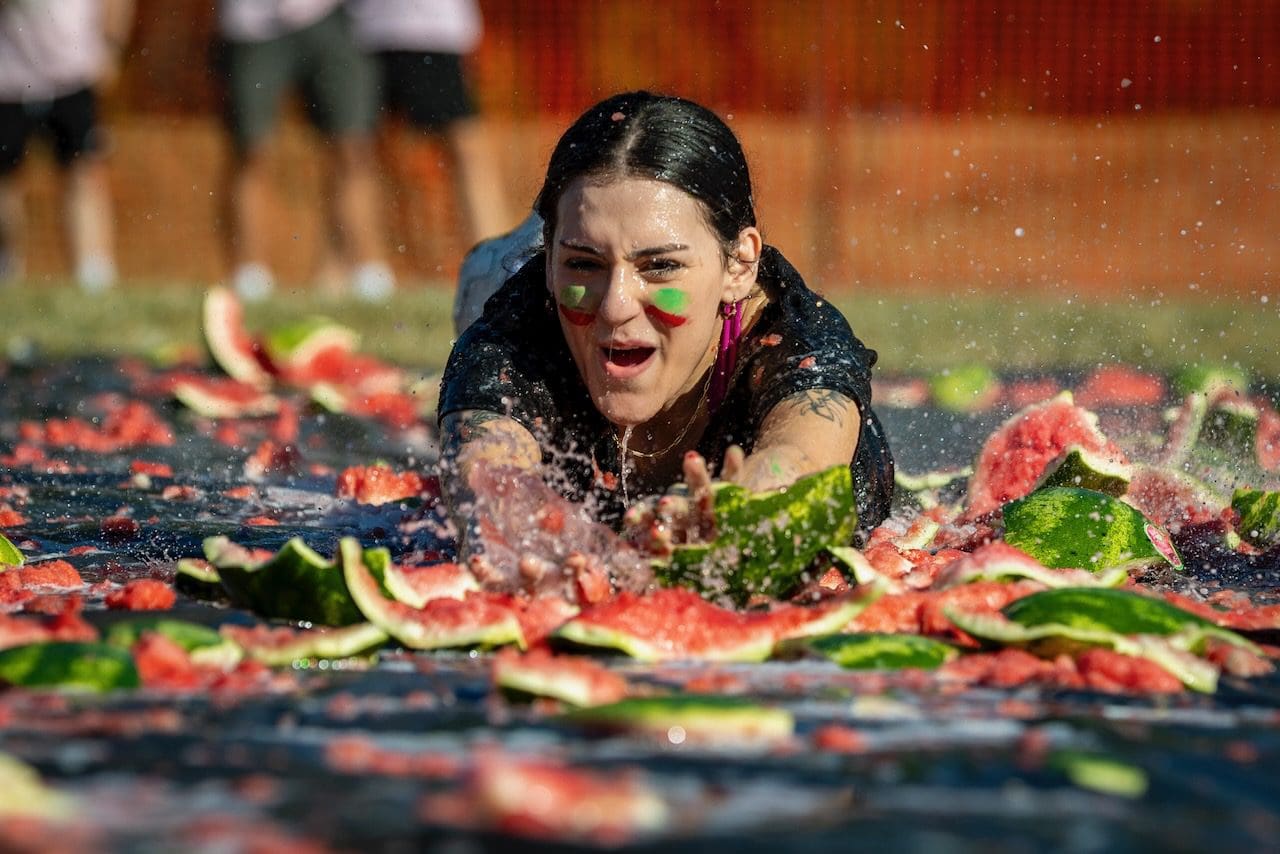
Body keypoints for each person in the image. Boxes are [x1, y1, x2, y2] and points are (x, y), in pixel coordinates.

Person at [437, 91, 895, 560]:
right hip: (510, 283)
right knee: (486, 287)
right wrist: (539, 537)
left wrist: (746, 507)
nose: (615, 308)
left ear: (739, 267)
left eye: (659, 266)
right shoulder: (511, 336)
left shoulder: (799, 339)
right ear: (551, 261)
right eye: (583, 263)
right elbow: (486, 477)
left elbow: (801, 462)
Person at [216, 0, 395, 302]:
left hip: (335, 17)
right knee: (252, 151)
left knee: (353, 150)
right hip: (252, 24)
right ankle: (249, 276)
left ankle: (366, 272)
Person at [348, 0, 511, 246]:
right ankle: (349, 268)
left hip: (432, 30)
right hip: (363, 30)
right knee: (350, 152)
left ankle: (496, 258)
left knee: (466, 149)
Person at [0, 0, 133, 291]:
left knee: (84, 172)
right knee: (7, 179)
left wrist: (112, 45)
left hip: (73, 72)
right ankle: (7, 268)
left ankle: (94, 275)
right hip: (9, 77)